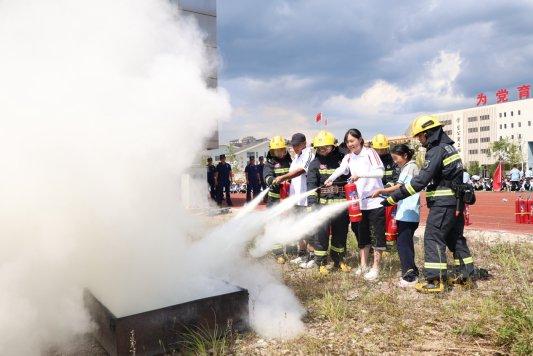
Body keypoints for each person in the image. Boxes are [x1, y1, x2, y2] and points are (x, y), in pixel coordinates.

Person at [382, 115, 475, 293]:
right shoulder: (449, 148)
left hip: (443, 203)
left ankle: (435, 280)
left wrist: (394, 197)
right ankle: (466, 276)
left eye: (420, 136)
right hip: (455, 202)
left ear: (428, 133)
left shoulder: (436, 150)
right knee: (454, 238)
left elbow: (420, 181)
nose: (419, 140)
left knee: (433, 237)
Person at [326, 129, 386, 281]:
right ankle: (363, 265)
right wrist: (331, 178)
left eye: (352, 141)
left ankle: (375, 268)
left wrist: (361, 175)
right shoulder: (348, 157)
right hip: (359, 204)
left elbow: (380, 173)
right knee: (362, 236)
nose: (350, 144)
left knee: (376, 236)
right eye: (348, 142)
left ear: (360, 140)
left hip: (374, 202)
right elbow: (341, 169)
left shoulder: (370, 153)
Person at [371, 144, 420, 288]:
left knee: (403, 244)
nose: (394, 161)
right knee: (404, 243)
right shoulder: (406, 167)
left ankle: (410, 276)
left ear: (405, 156)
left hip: (409, 213)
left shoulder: (410, 167)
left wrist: (382, 190)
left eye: (396, 158)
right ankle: (412, 270)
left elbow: (400, 187)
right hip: (405, 212)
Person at [307, 131, 351, 275]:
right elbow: (311, 187)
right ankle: (321, 263)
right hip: (322, 207)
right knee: (321, 235)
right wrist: (313, 206)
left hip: (340, 206)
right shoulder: (314, 164)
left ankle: (339, 261)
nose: (322, 151)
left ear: (333, 146)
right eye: (320, 148)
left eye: (325, 147)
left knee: (341, 234)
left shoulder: (343, 160)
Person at [271, 133, 315, 265]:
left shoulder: (308, 155)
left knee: (309, 228)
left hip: (305, 200)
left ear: (304, 143)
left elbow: (302, 170)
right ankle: (302, 254)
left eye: (297, 145)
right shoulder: (296, 157)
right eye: (293, 145)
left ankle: (312, 256)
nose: (295, 147)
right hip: (295, 200)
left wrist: (283, 177)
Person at [263, 135, 292, 263]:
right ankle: (278, 253)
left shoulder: (290, 161)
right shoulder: (269, 164)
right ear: (272, 151)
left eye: (281, 150)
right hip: (274, 201)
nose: (279, 153)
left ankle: (291, 249)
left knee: (291, 222)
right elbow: (267, 177)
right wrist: (272, 181)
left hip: (288, 200)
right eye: (276, 151)